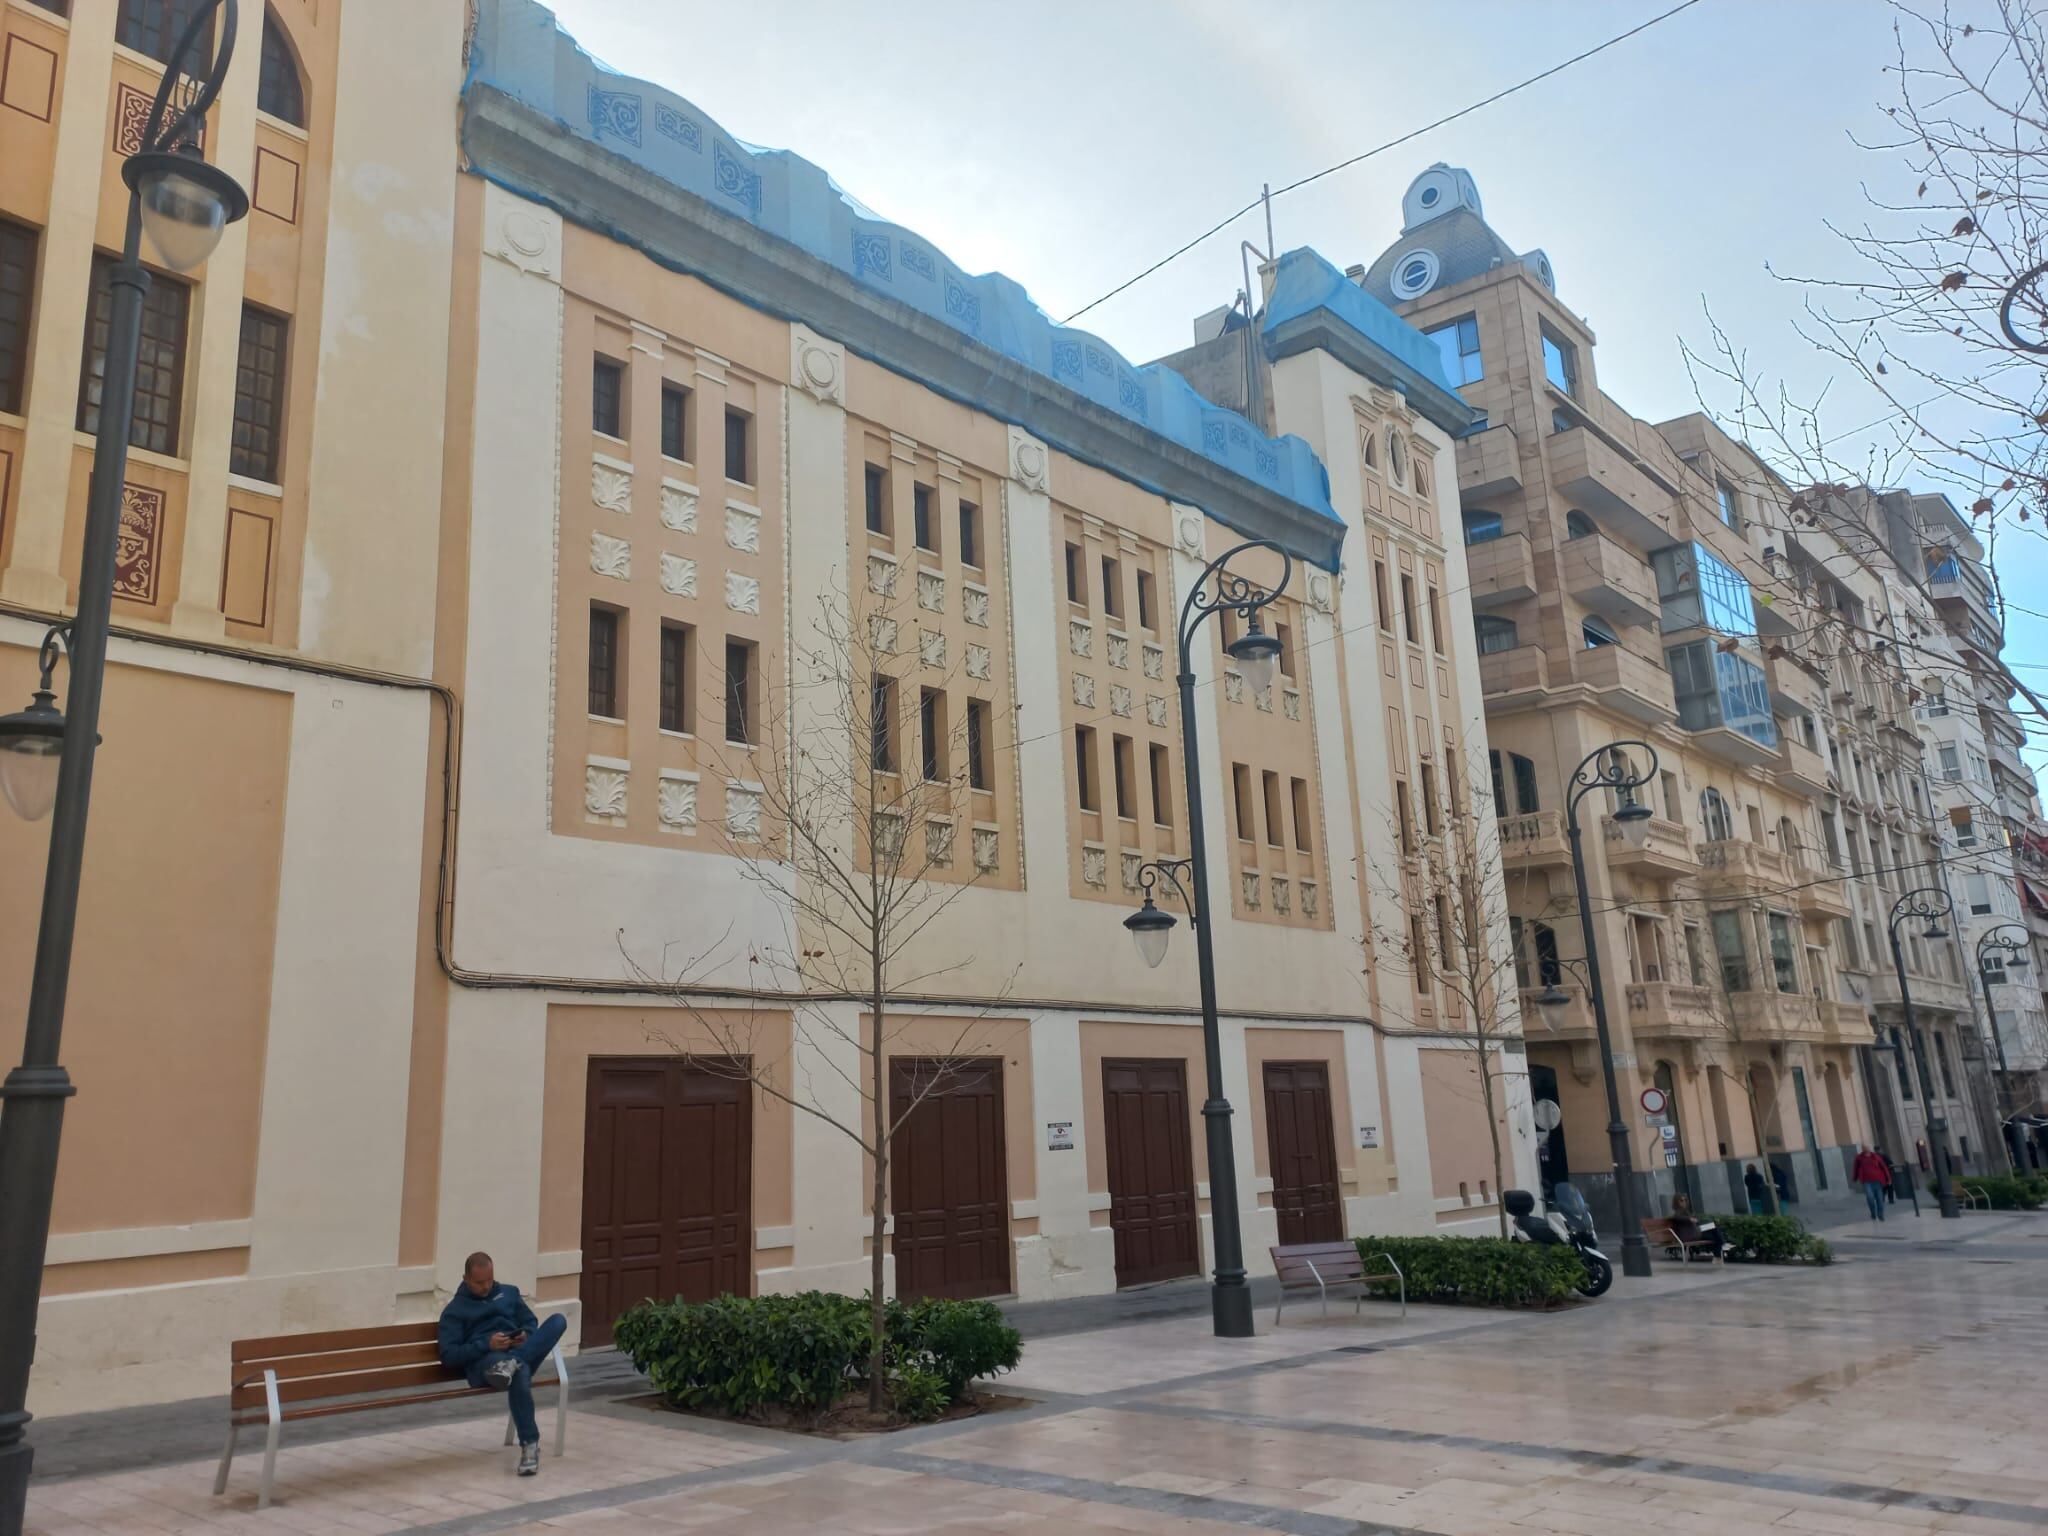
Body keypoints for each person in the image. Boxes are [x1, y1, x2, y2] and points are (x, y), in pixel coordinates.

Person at [437, 1252, 567, 1476]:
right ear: (466, 1279)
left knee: (558, 1321)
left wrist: (525, 1334)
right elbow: (449, 1355)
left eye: (490, 1279)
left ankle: (514, 1362)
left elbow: (530, 1322)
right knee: (519, 1372)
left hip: (517, 1352)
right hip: (486, 1363)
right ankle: (530, 1445)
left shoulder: (509, 1293)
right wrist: (487, 1345)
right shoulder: (455, 1311)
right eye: (479, 1283)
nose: (487, 1286)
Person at [1668, 1192, 1726, 1257]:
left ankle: (1718, 1252)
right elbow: (1677, 1218)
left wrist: (1693, 1220)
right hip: (1689, 1236)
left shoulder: (1685, 1212)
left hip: (1694, 1233)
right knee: (1715, 1233)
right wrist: (1689, 1219)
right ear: (1676, 1202)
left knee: (1714, 1233)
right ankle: (1721, 1247)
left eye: (1685, 1200)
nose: (1684, 1202)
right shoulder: (1678, 1213)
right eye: (1681, 1200)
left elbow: (1695, 1221)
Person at [1851, 1144, 1892, 1222]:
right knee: (1870, 1197)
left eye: (1867, 1147)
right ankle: (1873, 1213)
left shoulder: (1876, 1157)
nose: (1866, 1149)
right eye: (1864, 1148)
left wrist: (1888, 1178)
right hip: (1867, 1182)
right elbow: (1856, 1168)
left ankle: (1880, 1214)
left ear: (1869, 1148)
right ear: (1862, 1149)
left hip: (1878, 1181)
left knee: (1880, 1199)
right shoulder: (1859, 1158)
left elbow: (1884, 1167)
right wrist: (1855, 1178)